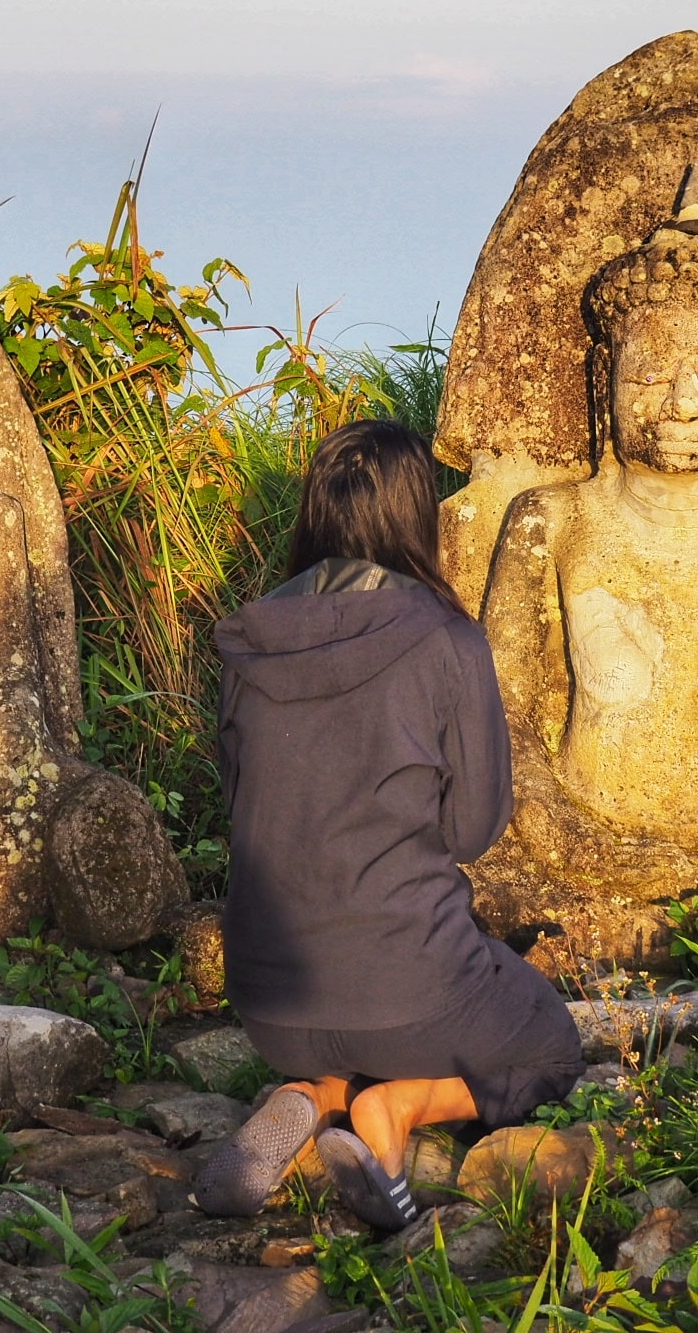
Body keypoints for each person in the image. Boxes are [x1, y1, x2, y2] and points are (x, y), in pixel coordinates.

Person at [191, 419, 585, 1230]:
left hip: (271, 1005)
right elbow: (473, 828)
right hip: (414, 993)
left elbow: (241, 801)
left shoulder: (246, 640)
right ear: (417, 516)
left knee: (349, 1028)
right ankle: (397, 1109)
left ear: (313, 513)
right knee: (550, 1044)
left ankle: (311, 1093)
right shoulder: (445, 638)